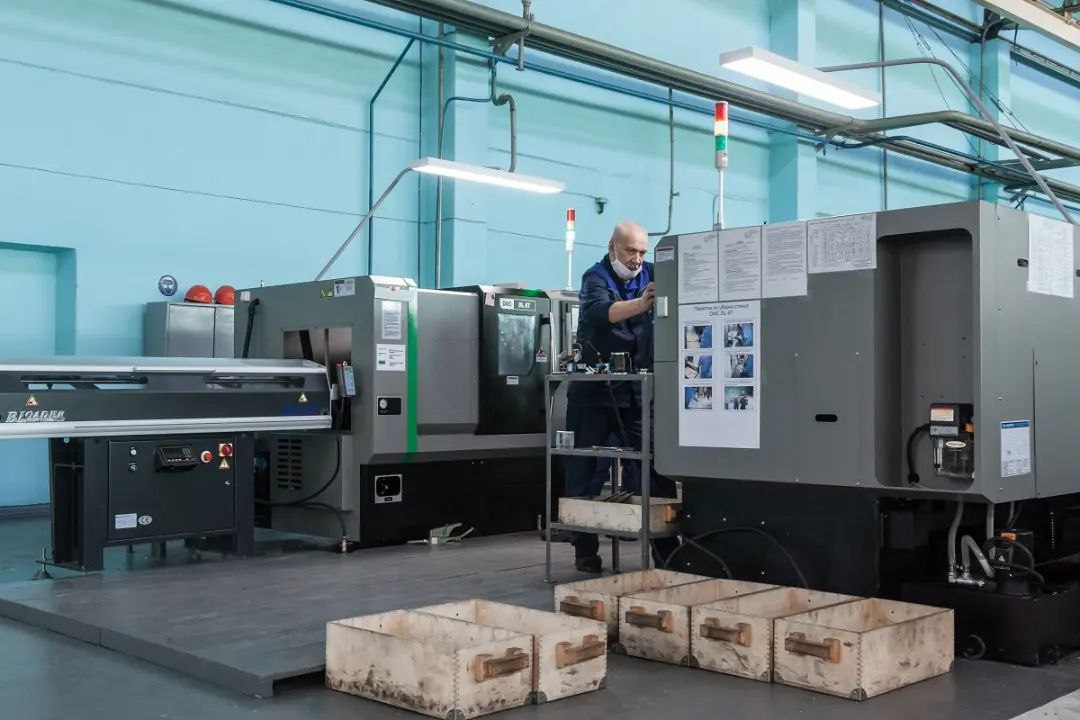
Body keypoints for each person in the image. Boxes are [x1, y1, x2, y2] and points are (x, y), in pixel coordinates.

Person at [565, 220, 679, 573]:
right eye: (631, 251)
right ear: (613, 247)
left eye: (642, 252)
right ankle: (584, 549)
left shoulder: (654, 273)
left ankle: (667, 553)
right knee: (584, 471)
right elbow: (603, 312)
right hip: (594, 394)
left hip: (637, 394)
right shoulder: (595, 277)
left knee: (654, 467)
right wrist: (642, 304)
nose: (637, 259)